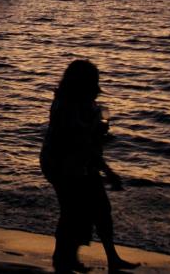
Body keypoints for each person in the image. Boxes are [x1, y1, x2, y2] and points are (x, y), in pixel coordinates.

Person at [40, 59, 139, 274]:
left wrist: (98, 139)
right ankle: (62, 260)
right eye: (93, 82)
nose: (96, 87)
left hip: (81, 161)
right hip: (60, 164)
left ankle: (111, 258)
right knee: (72, 213)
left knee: (101, 208)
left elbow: (89, 143)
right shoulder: (65, 106)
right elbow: (77, 141)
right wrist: (106, 167)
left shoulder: (88, 104)